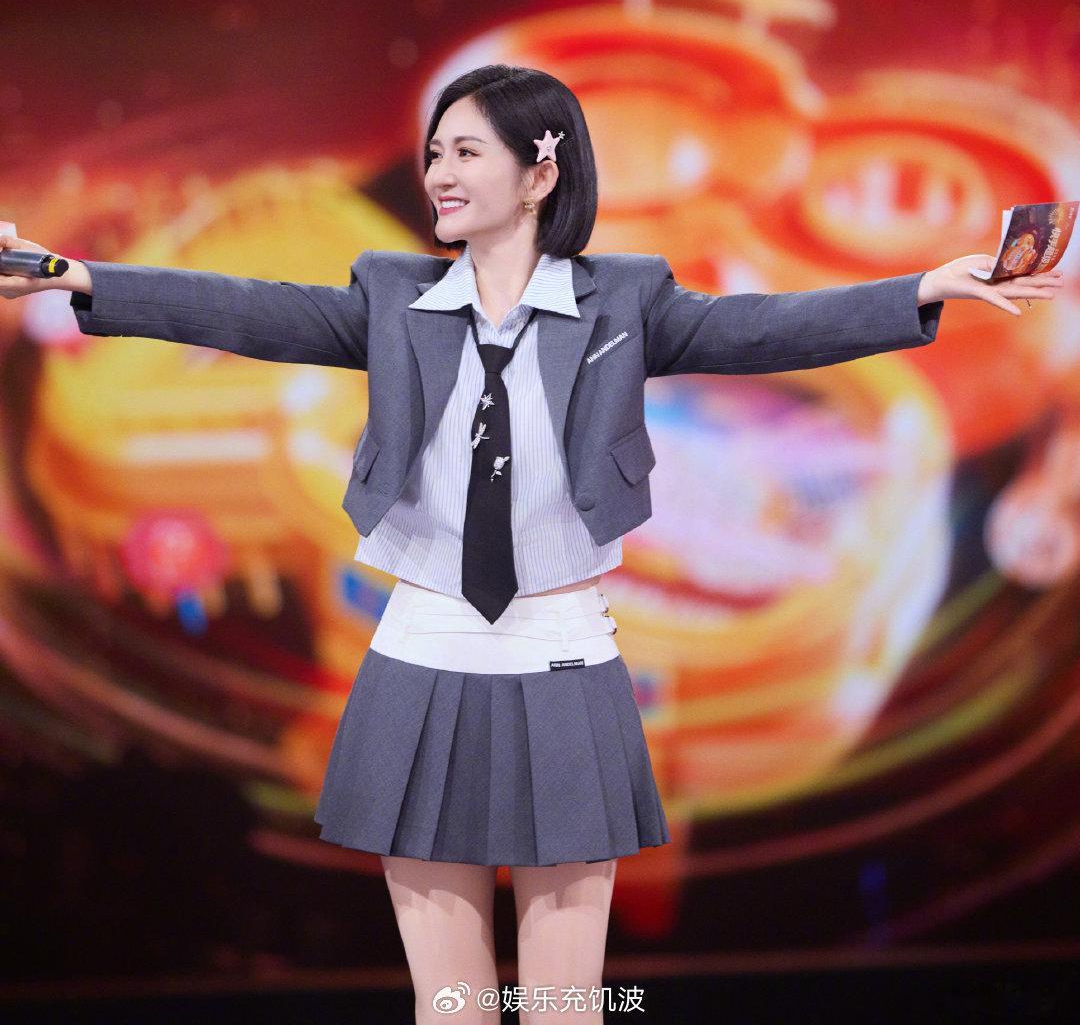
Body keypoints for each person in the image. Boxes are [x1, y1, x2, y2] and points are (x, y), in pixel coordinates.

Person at [0, 63, 1063, 1022]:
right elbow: (236, 308)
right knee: (452, 1001)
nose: (440, 174)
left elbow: (771, 330)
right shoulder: (392, 296)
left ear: (541, 173)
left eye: (467, 152)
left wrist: (928, 290)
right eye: (436, 153)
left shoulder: (627, 300)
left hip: (563, 665)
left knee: (564, 1002)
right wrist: (70, 274)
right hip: (421, 661)